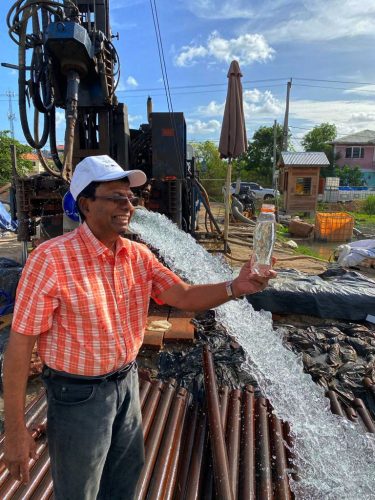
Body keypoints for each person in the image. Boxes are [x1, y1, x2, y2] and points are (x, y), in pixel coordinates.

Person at [3, 155, 276, 500]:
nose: (127, 205)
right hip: (77, 397)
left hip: (127, 385)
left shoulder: (137, 255)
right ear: (86, 204)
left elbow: (184, 294)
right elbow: (18, 348)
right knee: (79, 491)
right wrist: (15, 432)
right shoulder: (50, 260)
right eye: (116, 196)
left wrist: (236, 287)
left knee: (124, 481)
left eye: (130, 198)